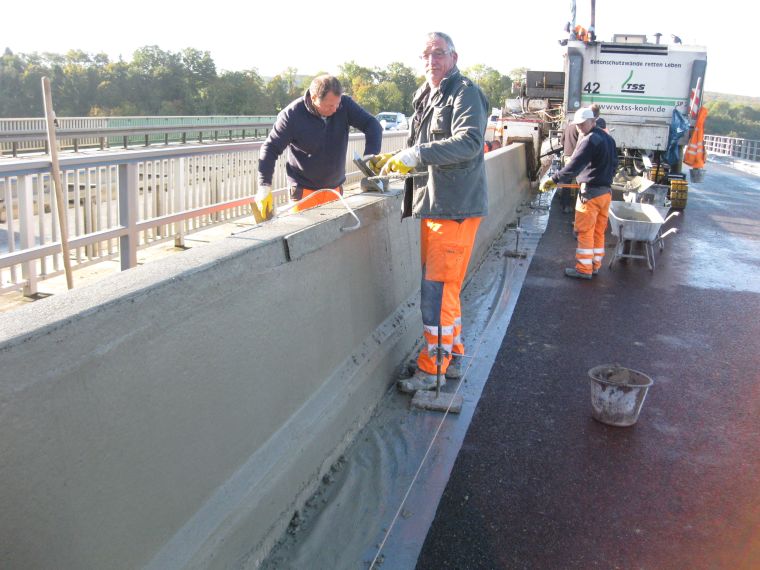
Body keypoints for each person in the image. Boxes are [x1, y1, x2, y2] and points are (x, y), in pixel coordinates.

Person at [381, 32, 489, 393]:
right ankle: (452, 354)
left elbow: (471, 142)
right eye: (426, 54)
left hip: (455, 206)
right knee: (445, 287)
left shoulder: (464, 92)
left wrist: (419, 153)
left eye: (439, 54)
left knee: (437, 290)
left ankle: (434, 368)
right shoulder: (425, 95)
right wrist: (404, 158)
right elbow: (419, 146)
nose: (432, 60)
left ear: (454, 57)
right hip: (434, 204)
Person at [254, 75, 383, 219]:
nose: (335, 109)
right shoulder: (292, 115)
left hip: (334, 189)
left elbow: (372, 125)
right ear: (314, 97)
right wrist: (264, 186)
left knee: (334, 234)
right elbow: (270, 148)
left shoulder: (345, 105)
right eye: (330, 106)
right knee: (302, 237)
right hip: (304, 192)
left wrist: (371, 155)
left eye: (337, 104)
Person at [542, 107, 618, 280]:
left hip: (590, 194)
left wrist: (554, 179)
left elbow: (574, 165)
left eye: (583, 124)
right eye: (577, 125)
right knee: (598, 231)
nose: (580, 128)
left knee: (585, 231)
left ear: (592, 121)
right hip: (605, 193)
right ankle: (595, 264)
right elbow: (615, 163)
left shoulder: (590, 140)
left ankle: (584, 269)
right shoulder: (608, 139)